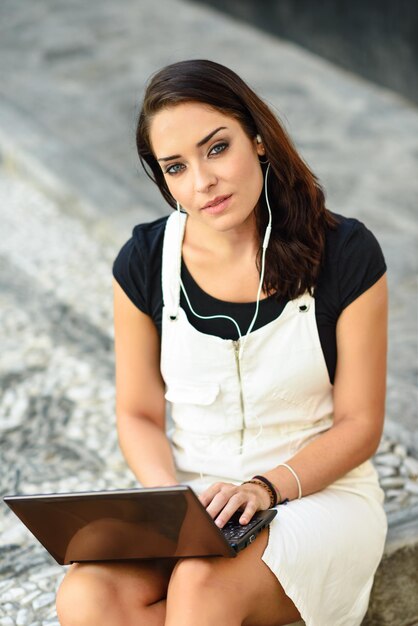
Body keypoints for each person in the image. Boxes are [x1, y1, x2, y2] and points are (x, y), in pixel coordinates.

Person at [56, 59, 388, 626]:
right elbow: (137, 412)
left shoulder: (347, 254)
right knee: (86, 596)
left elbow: (361, 425)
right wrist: (169, 508)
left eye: (216, 148)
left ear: (257, 140)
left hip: (313, 496)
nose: (202, 182)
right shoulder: (142, 263)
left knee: (202, 583)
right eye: (176, 168)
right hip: (199, 501)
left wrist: (265, 488)